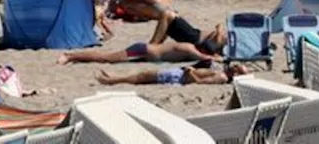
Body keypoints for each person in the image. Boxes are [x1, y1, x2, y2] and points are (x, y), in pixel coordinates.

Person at [57, 39, 218, 65]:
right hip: (143, 50)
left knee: (108, 57)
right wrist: (217, 58)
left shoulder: (190, 47)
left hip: (144, 52)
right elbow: (203, 57)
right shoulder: (189, 49)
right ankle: (70, 55)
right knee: (107, 58)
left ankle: (74, 57)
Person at [96, 63, 247, 87]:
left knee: (144, 77)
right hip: (180, 73)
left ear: (236, 73)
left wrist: (191, 72)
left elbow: (199, 83)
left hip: (179, 77)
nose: (234, 64)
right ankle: (114, 77)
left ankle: (112, 80)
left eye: (237, 66)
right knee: (144, 74)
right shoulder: (222, 72)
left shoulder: (222, 77)